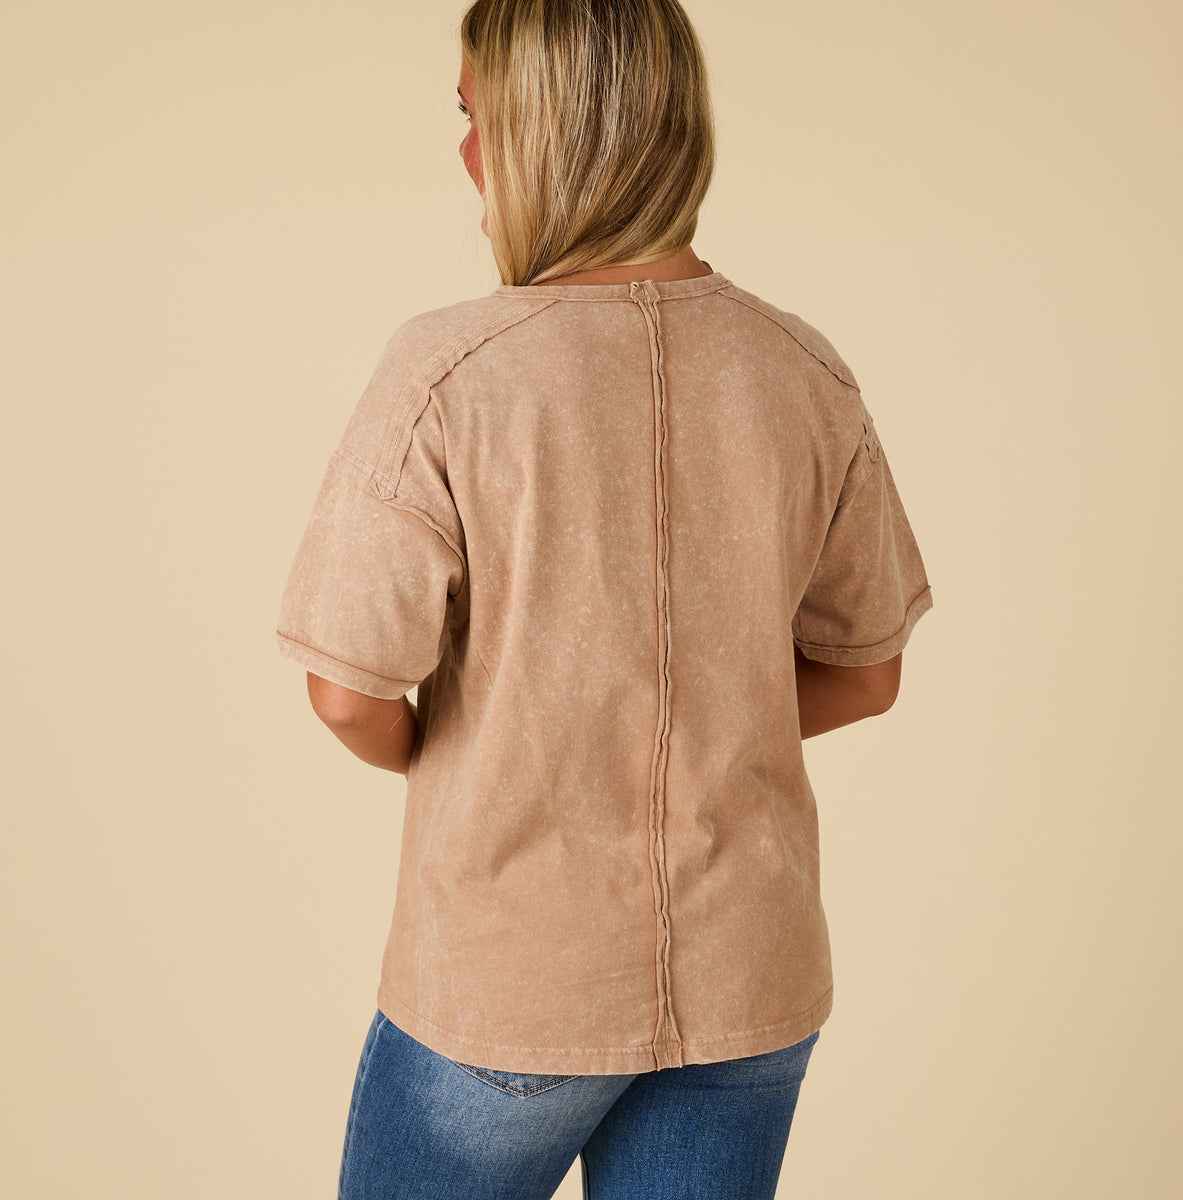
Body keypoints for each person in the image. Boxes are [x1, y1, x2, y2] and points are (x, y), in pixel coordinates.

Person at [274, 1, 934, 1196]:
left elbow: (346, 691)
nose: (466, 153)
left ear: (545, 134)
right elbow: (866, 671)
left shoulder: (449, 373)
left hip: (509, 986)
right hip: (750, 981)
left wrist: (461, 751)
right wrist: (705, 728)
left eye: (476, 116)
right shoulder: (803, 370)